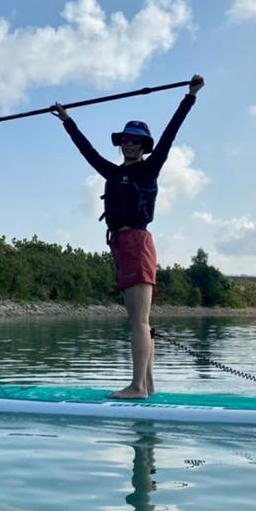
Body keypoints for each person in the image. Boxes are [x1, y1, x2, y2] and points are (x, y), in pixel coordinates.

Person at [52, 74, 204, 399]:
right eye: (125, 139)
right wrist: (67, 120)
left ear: (143, 146)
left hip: (136, 242)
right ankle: (147, 386)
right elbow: (88, 152)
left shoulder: (149, 168)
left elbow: (170, 135)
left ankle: (137, 386)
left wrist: (189, 96)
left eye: (135, 140)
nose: (129, 144)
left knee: (138, 321)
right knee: (139, 321)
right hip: (121, 245)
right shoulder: (114, 172)